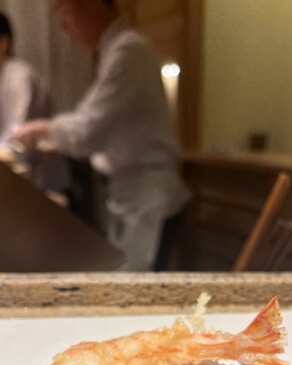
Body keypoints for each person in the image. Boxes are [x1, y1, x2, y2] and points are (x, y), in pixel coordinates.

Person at [12, 0, 191, 271]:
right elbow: (97, 127)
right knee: (124, 279)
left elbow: (87, 132)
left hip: (148, 196)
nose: (63, 25)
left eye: (64, 11)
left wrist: (41, 129)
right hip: (132, 193)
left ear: (93, 4)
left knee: (135, 287)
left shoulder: (128, 51)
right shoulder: (114, 51)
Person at [0, 11, 50, 152]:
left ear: (4, 42)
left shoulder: (21, 76)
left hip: (32, 161)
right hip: (12, 156)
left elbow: (17, 132)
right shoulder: (0, 78)